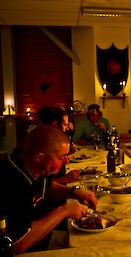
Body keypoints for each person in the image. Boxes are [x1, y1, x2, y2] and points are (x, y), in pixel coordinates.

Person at [0, 124, 97, 254]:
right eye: (61, 157)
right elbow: (18, 243)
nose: (66, 162)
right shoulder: (11, 181)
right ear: (39, 157)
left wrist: (73, 192)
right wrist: (64, 211)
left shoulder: (27, 162)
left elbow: (48, 187)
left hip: (44, 240)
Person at [38, 106, 79, 184]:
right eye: (65, 125)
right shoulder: (42, 144)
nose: (67, 128)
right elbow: (38, 185)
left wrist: (66, 154)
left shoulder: (49, 138)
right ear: (55, 125)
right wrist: (65, 179)